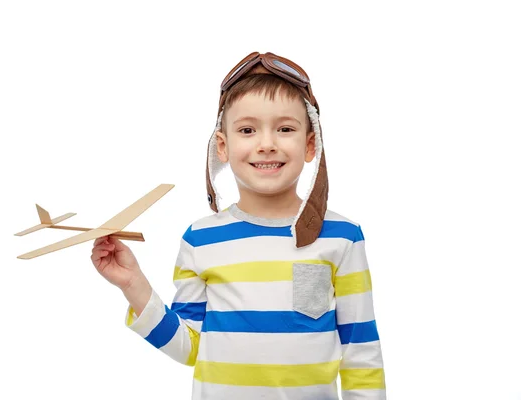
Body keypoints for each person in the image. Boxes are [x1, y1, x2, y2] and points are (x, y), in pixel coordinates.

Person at [91, 51, 387, 400]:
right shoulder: (200, 239)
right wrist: (133, 285)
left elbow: (361, 352)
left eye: (285, 129)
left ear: (311, 144)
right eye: (247, 130)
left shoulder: (342, 237)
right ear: (223, 146)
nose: (266, 144)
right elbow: (189, 349)